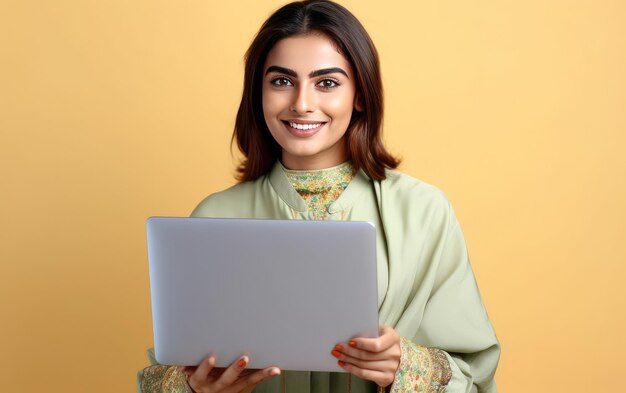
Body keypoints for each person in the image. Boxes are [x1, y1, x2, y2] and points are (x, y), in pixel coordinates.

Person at [137, 1, 500, 392]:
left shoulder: (423, 212)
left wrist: (403, 365)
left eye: (327, 82)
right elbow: (169, 367)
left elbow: (474, 373)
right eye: (281, 81)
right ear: (258, 91)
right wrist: (195, 387)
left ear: (360, 94)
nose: (302, 103)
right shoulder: (213, 216)